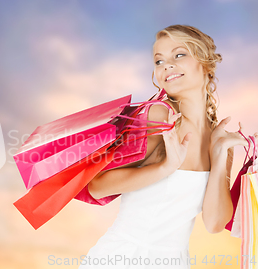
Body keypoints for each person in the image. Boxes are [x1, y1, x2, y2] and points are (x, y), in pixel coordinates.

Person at [79, 24, 258, 268]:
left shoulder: (219, 139)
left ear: (204, 63)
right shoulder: (159, 116)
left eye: (179, 55)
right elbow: (97, 187)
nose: (167, 66)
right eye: (159, 61)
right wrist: (167, 166)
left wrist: (218, 156)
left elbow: (214, 224)